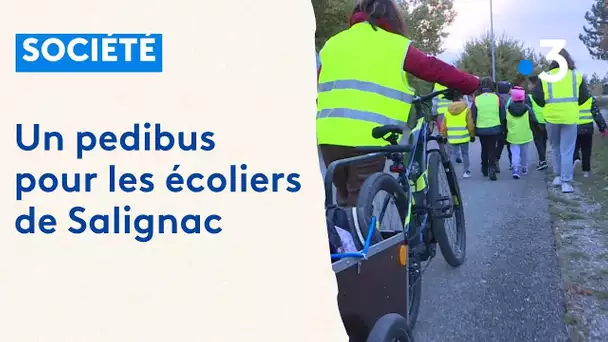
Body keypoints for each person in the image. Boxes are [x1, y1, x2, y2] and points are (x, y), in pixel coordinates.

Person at [316, 0, 479, 207]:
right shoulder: (395, 45)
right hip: (369, 137)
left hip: (329, 136)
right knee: (359, 202)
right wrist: (472, 83)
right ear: (392, 18)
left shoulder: (333, 43)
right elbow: (433, 68)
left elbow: (317, 82)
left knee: (343, 198)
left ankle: (344, 236)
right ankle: (363, 238)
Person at [530, 48, 591, 193]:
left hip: (551, 117)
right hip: (570, 117)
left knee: (555, 147)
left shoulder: (546, 76)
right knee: (567, 150)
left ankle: (557, 176)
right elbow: (584, 97)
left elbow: (537, 97)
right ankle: (566, 182)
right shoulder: (577, 76)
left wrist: (548, 104)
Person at [471, 77, 506, 181]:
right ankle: (492, 169)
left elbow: (473, 115)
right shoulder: (497, 98)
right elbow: (503, 114)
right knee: (492, 148)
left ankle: (484, 168)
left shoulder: (477, 99)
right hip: (494, 127)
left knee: (484, 148)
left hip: (481, 128)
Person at [504, 87, 539, 179]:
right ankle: (524, 167)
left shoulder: (508, 109)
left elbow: (504, 121)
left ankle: (515, 169)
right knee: (524, 153)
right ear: (523, 97)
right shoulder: (527, 109)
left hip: (512, 135)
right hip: (525, 134)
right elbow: (534, 120)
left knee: (515, 153)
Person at [440, 93, 475, 178]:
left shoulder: (447, 110)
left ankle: (452, 173)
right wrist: (472, 134)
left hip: (452, 137)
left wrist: (444, 136)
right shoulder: (466, 109)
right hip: (464, 136)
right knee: (465, 154)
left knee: (453, 155)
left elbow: (444, 125)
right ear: (461, 98)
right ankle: (466, 172)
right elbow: (470, 123)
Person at [573, 96, 607, 177]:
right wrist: (602, 128)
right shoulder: (590, 98)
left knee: (573, 147)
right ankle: (586, 171)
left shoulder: (571, 98)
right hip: (587, 128)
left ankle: (575, 159)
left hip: (573, 127)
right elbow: (597, 114)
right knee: (586, 150)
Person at [527, 75, 548, 170]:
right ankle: (542, 159)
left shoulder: (530, 96)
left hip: (536, 121)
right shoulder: (546, 94)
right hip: (546, 120)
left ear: (532, 84)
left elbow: (529, 110)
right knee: (543, 141)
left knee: (538, 141)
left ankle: (542, 160)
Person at [495, 80, 513, 171]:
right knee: (511, 144)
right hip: (510, 124)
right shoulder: (511, 98)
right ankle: (512, 163)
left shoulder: (496, 98)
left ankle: (496, 160)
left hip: (500, 124)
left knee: (500, 145)